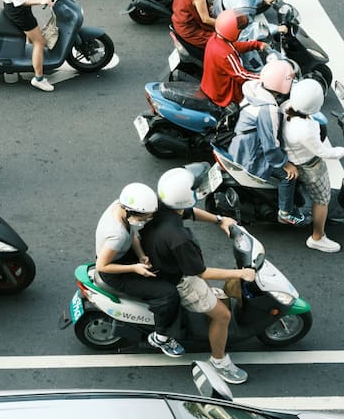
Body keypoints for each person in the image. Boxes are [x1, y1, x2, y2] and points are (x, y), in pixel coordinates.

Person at [141, 167, 252, 385]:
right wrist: (241, 272)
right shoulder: (179, 239)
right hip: (181, 280)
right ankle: (220, 361)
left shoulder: (162, 207)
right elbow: (201, 272)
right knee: (223, 316)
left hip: (162, 262)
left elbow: (190, 212)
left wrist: (220, 219)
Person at [94, 183, 184, 358]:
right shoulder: (116, 235)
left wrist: (141, 255)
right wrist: (135, 268)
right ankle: (161, 337)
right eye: (143, 218)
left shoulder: (119, 206)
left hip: (125, 255)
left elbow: (133, 233)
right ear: (131, 212)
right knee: (168, 294)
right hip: (115, 273)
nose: (144, 221)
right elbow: (102, 266)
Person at [283, 79, 344, 253]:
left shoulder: (285, 107)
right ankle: (317, 237)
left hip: (291, 156)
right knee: (322, 199)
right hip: (308, 165)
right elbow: (324, 152)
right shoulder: (306, 129)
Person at [227, 60, 302, 226]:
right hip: (252, 154)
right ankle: (286, 212)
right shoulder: (269, 109)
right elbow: (270, 147)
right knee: (289, 176)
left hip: (239, 145)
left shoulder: (254, 89)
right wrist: (285, 164)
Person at [200, 9, 269, 108]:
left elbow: (234, 46)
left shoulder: (215, 39)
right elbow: (242, 76)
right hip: (222, 95)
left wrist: (256, 44)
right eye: (239, 30)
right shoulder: (226, 55)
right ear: (231, 30)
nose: (240, 31)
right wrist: (265, 79)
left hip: (211, 85)